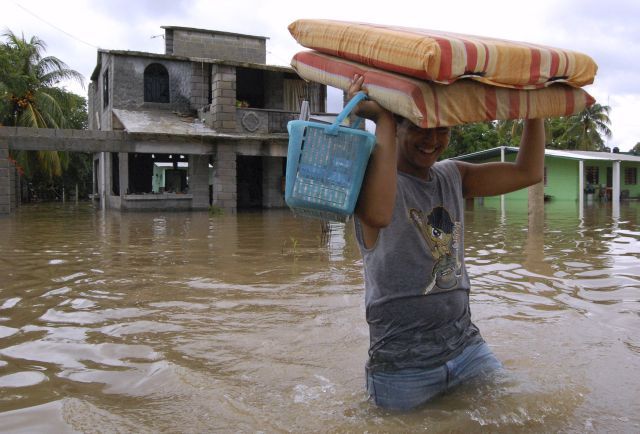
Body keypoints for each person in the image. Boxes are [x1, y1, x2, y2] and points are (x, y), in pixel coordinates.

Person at [347, 74, 545, 411]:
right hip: (401, 366)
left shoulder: (453, 175)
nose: (432, 140)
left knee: (528, 413)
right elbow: (379, 216)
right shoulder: (370, 183)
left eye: (442, 129)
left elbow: (528, 172)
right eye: (421, 127)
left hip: (466, 349)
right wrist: (381, 118)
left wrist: (535, 109)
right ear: (398, 128)